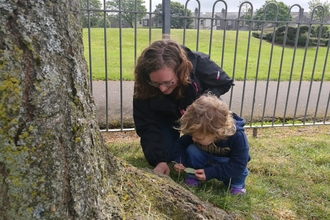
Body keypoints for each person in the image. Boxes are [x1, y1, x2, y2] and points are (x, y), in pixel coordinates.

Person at [133, 38, 233, 175]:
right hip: (166, 114)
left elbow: (224, 83)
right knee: (167, 154)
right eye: (156, 83)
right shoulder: (144, 85)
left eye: (168, 82)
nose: (162, 88)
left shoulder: (199, 63)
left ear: (180, 71)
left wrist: (204, 98)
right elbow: (146, 124)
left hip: (199, 110)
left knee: (212, 140)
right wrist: (159, 160)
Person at [172, 94, 250, 194]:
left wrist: (210, 173)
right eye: (192, 135)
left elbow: (238, 165)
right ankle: (193, 176)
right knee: (192, 149)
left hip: (228, 164)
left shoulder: (238, 137)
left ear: (215, 132)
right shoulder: (198, 131)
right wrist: (180, 161)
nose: (193, 139)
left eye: (198, 138)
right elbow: (180, 144)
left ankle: (236, 186)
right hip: (206, 159)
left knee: (241, 170)